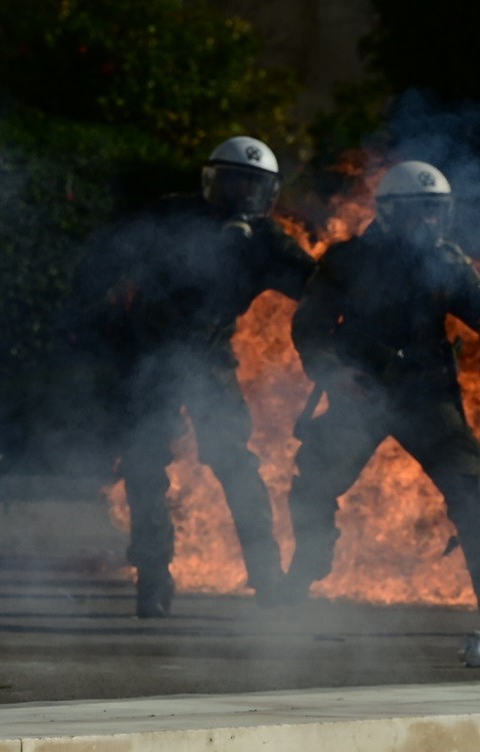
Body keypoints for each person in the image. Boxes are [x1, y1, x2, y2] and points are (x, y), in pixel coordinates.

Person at [68, 135, 316, 617]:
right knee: (144, 468)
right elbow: (99, 263)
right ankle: (154, 580)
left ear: (267, 194)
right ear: (212, 183)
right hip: (149, 358)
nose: (242, 197)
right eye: (233, 184)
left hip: (209, 360)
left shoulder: (265, 240)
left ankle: (267, 580)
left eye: (253, 187)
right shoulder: (169, 217)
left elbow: (317, 285)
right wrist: (97, 311)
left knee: (235, 465)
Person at [280, 160, 480, 637]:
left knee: (472, 498)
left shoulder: (449, 262)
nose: (430, 222)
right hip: (362, 395)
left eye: (437, 211)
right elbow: (309, 328)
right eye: (419, 212)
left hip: (428, 398)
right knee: (311, 487)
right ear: (389, 213)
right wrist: (334, 373)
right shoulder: (347, 262)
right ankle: (305, 572)